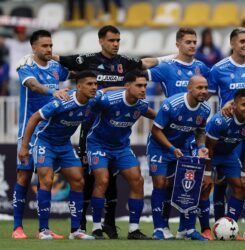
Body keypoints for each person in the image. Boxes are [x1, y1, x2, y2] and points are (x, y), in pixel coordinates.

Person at [52, 25, 160, 239]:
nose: (116, 44)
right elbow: (61, 61)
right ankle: (83, 225)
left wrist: (173, 57)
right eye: (112, 40)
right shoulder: (88, 60)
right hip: (91, 130)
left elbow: (148, 64)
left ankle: (111, 225)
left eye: (118, 40)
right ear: (101, 41)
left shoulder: (126, 64)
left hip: (117, 137)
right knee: (91, 178)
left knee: (111, 180)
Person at [18, 71, 105, 240]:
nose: (94, 87)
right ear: (78, 86)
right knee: (47, 180)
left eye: (96, 84)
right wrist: (24, 147)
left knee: (78, 180)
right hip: (44, 141)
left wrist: (124, 87)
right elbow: (34, 118)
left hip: (64, 144)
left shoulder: (92, 99)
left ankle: (75, 231)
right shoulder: (62, 102)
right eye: (90, 84)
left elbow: (107, 91)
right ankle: (43, 230)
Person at [147, 27, 211, 239]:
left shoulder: (202, 69)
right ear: (178, 44)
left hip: (186, 141)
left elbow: (201, 128)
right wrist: (164, 59)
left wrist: (201, 146)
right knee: (161, 184)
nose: (192, 45)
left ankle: (187, 229)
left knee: (189, 185)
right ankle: (160, 227)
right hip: (164, 138)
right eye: (188, 42)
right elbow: (139, 69)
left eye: (195, 42)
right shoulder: (167, 67)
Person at [12, 30, 69, 239]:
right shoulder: (26, 66)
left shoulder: (55, 67)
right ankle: (17, 227)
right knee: (24, 176)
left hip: (49, 133)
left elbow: (72, 71)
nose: (49, 49)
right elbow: (32, 85)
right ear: (33, 47)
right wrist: (51, 91)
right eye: (44, 46)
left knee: (47, 178)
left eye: (51, 46)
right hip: (28, 131)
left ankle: (44, 229)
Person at [87, 70, 155, 240]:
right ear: (127, 86)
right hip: (98, 144)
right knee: (102, 180)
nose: (143, 89)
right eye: (139, 85)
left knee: (137, 180)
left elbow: (157, 116)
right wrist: (102, 91)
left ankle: (133, 230)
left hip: (121, 147)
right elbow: (87, 105)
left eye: (145, 86)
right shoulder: (109, 100)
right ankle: (96, 228)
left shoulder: (141, 105)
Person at [208, 27, 245, 238]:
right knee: (221, 184)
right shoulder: (218, 68)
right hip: (227, 133)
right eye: (242, 41)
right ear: (232, 44)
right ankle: (221, 227)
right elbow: (208, 97)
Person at [205, 89, 245, 241]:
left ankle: (230, 228)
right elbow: (208, 147)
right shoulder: (221, 120)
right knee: (204, 187)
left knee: (242, 187)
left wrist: (243, 173)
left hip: (228, 154)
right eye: (244, 105)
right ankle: (205, 230)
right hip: (209, 153)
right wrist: (207, 174)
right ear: (234, 105)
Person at [0, 26, 31, 96]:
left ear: (25, 33)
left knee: (25, 99)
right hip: (13, 76)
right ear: (16, 34)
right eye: (19, 33)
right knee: (13, 100)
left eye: (22, 33)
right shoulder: (12, 42)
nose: (21, 35)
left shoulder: (30, 44)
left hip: (26, 77)